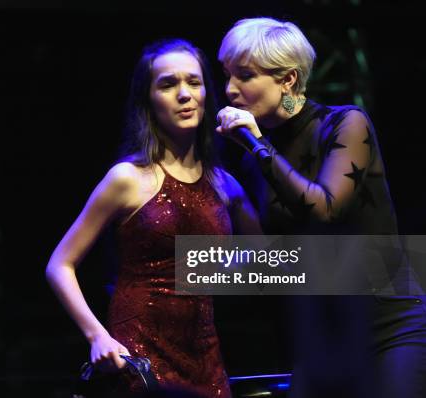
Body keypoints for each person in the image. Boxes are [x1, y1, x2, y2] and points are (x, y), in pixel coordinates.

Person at [216, 17, 426, 398]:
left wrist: (258, 147)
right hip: (324, 336)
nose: (229, 89)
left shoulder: (346, 124)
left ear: (288, 80)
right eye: (227, 74)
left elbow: (325, 208)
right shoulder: (255, 159)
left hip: (390, 326)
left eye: (244, 75)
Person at [46, 38, 261, 397]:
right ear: (148, 99)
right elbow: (59, 264)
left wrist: (257, 148)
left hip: (206, 360)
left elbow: (268, 262)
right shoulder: (127, 178)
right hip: (141, 359)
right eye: (167, 84)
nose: (184, 94)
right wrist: (97, 335)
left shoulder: (224, 185)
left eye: (194, 82)